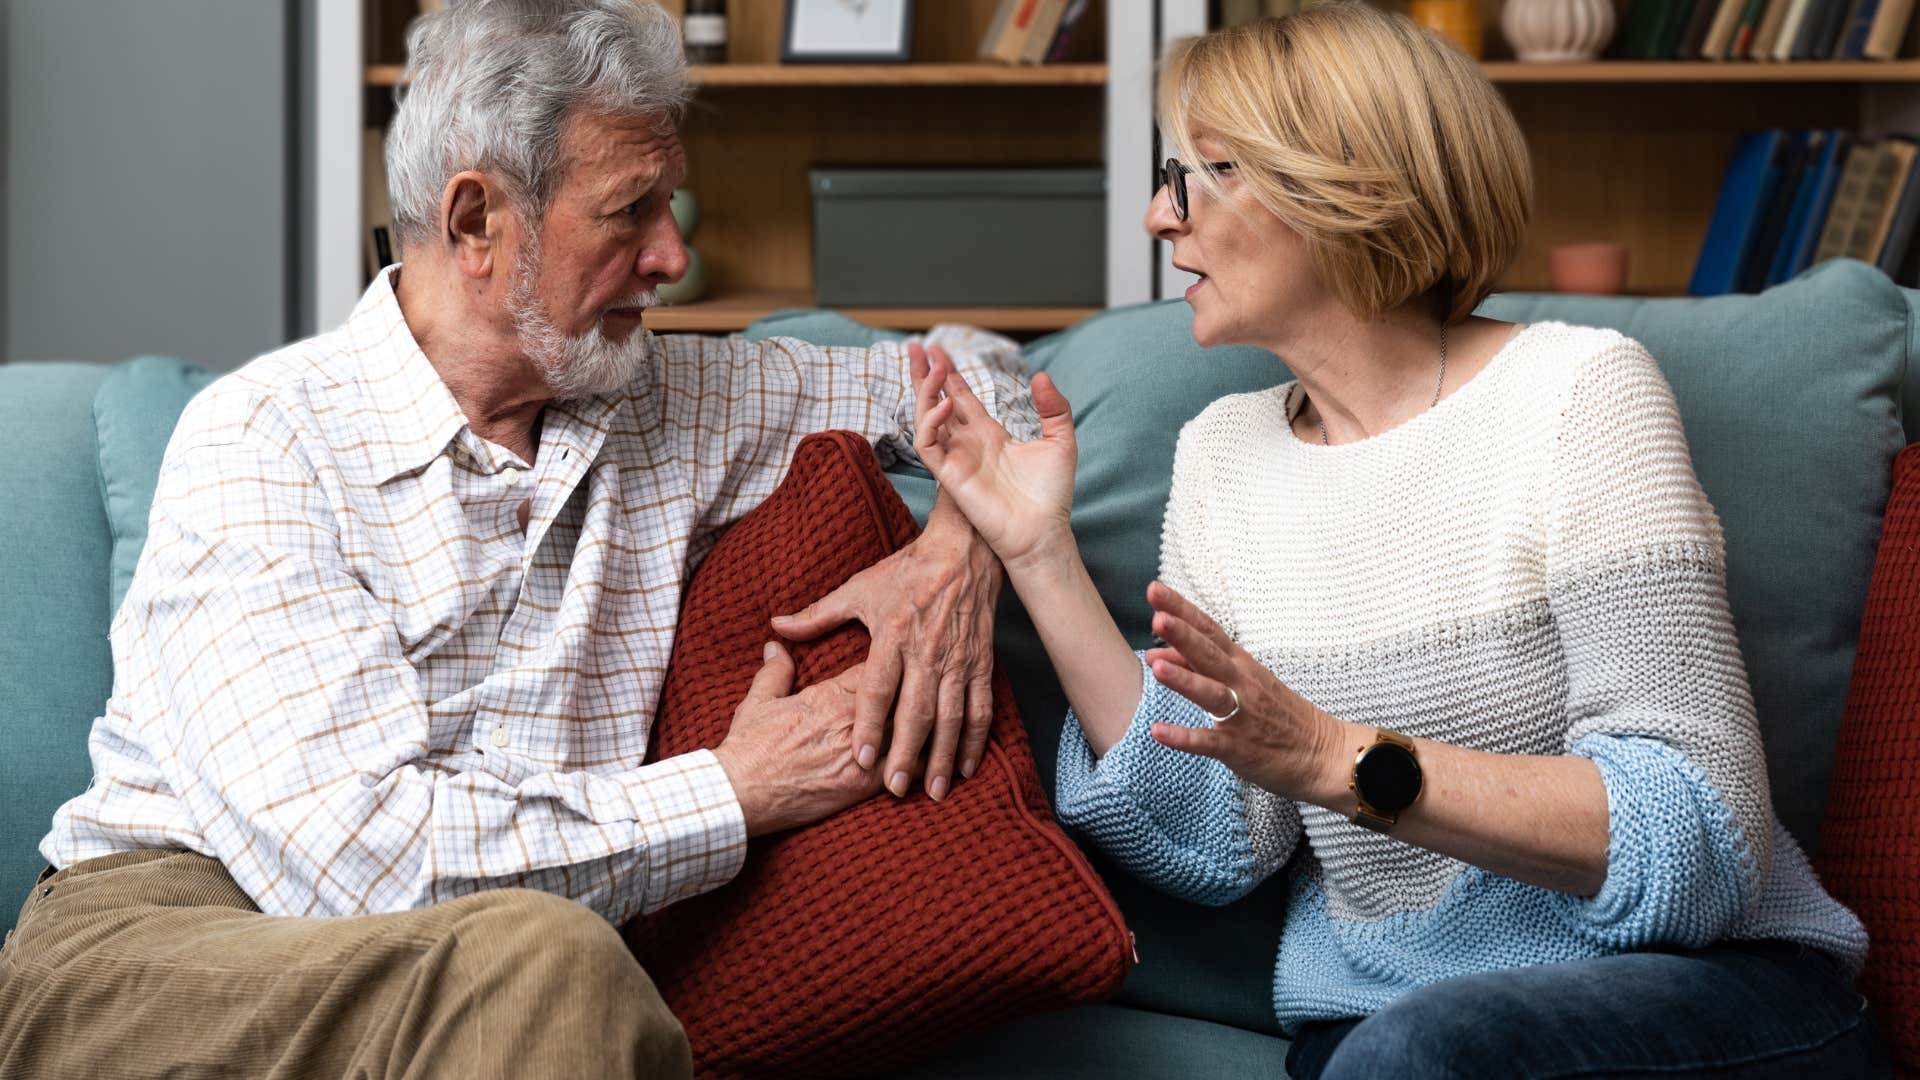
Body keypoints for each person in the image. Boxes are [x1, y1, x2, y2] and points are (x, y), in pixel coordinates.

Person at [0, 1, 1035, 1076]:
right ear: (477, 222)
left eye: (670, 202)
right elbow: (359, 869)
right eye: (631, 211)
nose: (672, 254)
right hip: (172, 941)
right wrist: (734, 789)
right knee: (556, 966)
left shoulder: (672, 398)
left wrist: (955, 551)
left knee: (551, 968)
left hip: (505, 969)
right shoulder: (269, 439)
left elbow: (984, 373)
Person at [907, 4, 1887, 1077]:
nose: (1157, 215)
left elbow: (1700, 837)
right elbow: (1214, 837)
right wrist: (1037, 552)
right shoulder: (1223, 452)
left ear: (1346, 189)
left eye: (1198, 174)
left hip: (1696, 993)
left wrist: (1337, 759)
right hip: (1376, 1027)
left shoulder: (1577, 393)